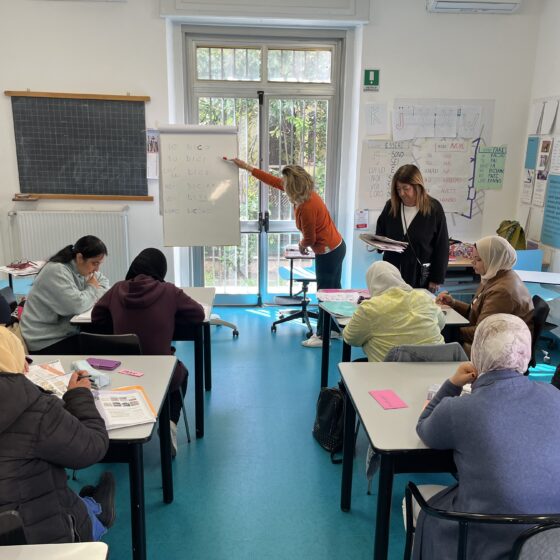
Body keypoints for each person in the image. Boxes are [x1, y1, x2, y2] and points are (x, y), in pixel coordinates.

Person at [412, 314, 560, 560]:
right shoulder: (554, 395)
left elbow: (424, 427)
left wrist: (452, 384)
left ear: (477, 355)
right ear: (526, 354)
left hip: (481, 534)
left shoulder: (460, 409)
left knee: (425, 501)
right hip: (548, 537)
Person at [0, 325, 115, 543]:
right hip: (41, 539)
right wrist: (80, 396)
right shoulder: (34, 409)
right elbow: (91, 447)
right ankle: (98, 515)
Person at [91, 248, 205, 455]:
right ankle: (170, 424)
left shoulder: (116, 289)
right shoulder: (169, 291)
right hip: (161, 374)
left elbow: (96, 317)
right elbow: (198, 314)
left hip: (121, 373)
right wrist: (171, 320)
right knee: (182, 372)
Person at [229, 158, 346, 348]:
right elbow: (272, 180)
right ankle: (332, 329)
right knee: (332, 291)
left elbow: (310, 238)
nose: (282, 184)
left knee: (325, 294)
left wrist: (301, 245)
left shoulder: (307, 206)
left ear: (292, 186)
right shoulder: (304, 193)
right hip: (336, 247)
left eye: (285, 183)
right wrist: (247, 167)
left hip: (329, 252)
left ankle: (322, 336)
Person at [436, 235, 533, 357]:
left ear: (493, 259)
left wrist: (446, 331)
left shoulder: (502, 291)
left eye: (478, 259)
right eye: (473, 258)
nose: (472, 262)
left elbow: (482, 333)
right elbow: (477, 312)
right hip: (493, 340)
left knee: (436, 338)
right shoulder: (495, 276)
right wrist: (453, 303)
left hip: (501, 351)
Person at [20, 235, 109, 354]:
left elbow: (104, 283)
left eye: (99, 264)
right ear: (80, 257)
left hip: (66, 332)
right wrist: (92, 288)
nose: (97, 269)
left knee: (106, 334)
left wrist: (90, 294)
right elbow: (77, 305)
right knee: (102, 346)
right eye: (94, 263)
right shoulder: (57, 271)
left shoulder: (82, 268)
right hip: (45, 340)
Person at [343, 261, 445, 362]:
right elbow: (441, 323)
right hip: (436, 366)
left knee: (356, 365)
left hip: (391, 369)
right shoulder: (424, 297)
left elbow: (350, 338)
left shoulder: (370, 308)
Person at [376, 164, 449, 292]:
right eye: (398, 189)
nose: (402, 193)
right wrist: (378, 243)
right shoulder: (391, 207)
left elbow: (442, 246)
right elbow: (381, 232)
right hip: (392, 273)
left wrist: (436, 278)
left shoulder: (433, 209)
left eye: (406, 188)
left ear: (417, 186)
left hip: (419, 276)